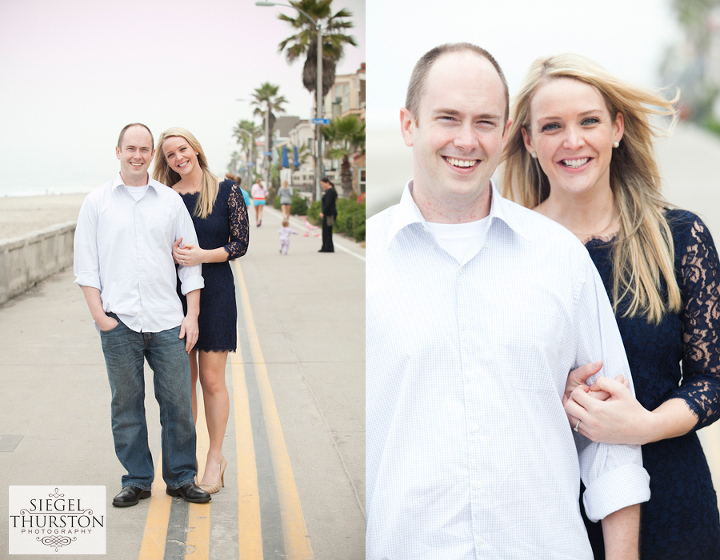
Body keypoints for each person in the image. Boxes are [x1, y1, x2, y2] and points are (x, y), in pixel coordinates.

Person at [366, 43, 651, 559]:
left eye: (484, 122)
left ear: (503, 135)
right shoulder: (368, 269)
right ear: (408, 124)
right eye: (447, 118)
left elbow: (612, 444)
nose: (466, 140)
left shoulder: (560, 257)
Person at [502, 53, 720, 560]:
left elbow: (713, 379)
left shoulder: (680, 238)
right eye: (552, 126)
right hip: (547, 510)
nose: (571, 141)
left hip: (674, 506)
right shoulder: (508, 250)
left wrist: (642, 425)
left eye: (589, 121)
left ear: (617, 129)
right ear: (529, 141)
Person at [74, 123, 210, 506]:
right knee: (126, 407)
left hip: (168, 321)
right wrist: (101, 317)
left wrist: (192, 315)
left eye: (145, 149)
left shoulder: (169, 202)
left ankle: (182, 477)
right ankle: (136, 479)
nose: (138, 155)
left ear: (152, 155)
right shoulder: (96, 203)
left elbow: (189, 264)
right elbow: (86, 266)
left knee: (179, 406)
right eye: (130, 148)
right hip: (119, 324)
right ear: (117, 151)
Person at [153, 127, 249, 494]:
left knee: (211, 380)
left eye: (182, 149)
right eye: (170, 155)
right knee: (183, 385)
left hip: (218, 294)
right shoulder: (164, 196)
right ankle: (184, 461)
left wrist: (202, 256)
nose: (178, 158)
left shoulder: (226, 191)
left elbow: (239, 244)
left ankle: (215, 457)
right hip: (175, 297)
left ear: (195, 148)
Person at [318, 177, 337, 253]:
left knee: (327, 230)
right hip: (328, 213)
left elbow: (328, 203)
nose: (322, 186)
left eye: (323, 184)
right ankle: (325, 246)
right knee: (325, 230)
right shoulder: (328, 191)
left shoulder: (330, 191)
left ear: (327, 183)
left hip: (329, 214)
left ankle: (328, 247)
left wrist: (323, 211)